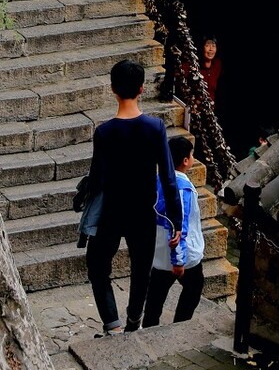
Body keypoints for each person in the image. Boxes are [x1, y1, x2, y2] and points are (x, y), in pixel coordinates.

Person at [81, 59, 183, 336]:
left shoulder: (104, 132)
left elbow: (97, 178)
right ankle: (133, 323)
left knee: (98, 266)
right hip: (143, 212)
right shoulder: (155, 128)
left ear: (113, 89)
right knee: (141, 270)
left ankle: (111, 324)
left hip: (112, 212)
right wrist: (176, 221)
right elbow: (169, 179)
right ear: (141, 89)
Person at [142, 135, 205, 327]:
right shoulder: (182, 188)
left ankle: (149, 327)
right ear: (186, 160)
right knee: (193, 289)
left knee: (155, 297)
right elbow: (179, 226)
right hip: (183, 257)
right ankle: (180, 326)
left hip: (159, 254)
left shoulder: (156, 181)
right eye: (192, 154)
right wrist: (178, 260)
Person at [199, 35, 223, 103]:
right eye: (207, 45)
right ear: (202, 47)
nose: (211, 49)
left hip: (211, 108)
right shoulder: (194, 66)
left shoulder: (217, 64)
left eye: (213, 46)